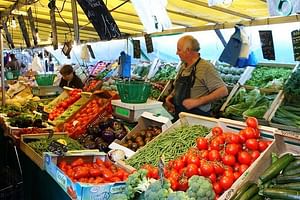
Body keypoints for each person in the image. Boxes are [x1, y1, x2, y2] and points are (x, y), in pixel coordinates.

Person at [165, 35, 228, 121]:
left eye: (179, 50)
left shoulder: (205, 67)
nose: (176, 53)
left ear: (188, 51)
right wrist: (171, 96)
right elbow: (177, 86)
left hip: (197, 118)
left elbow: (223, 91)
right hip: (180, 115)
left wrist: (198, 101)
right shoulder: (183, 67)